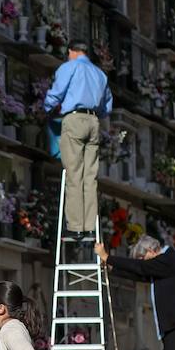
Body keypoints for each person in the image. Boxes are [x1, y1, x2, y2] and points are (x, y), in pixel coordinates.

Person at [44, 41, 113, 245]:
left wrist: (46, 107)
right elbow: (106, 105)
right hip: (93, 122)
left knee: (74, 174)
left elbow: (56, 92)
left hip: (74, 119)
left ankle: (75, 227)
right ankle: (89, 225)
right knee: (89, 177)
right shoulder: (100, 74)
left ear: (72, 52)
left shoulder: (70, 67)